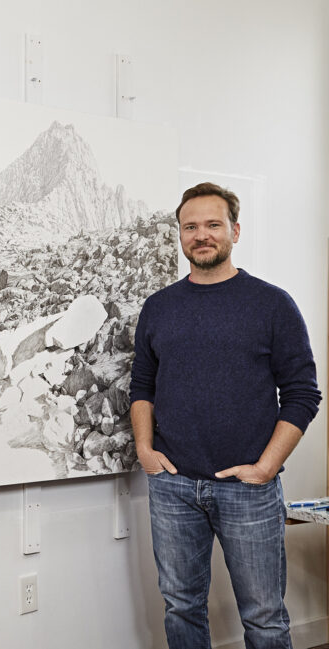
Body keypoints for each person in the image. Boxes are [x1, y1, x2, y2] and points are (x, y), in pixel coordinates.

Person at [129, 182, 321, 649]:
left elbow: (302, 394)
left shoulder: (272, 304)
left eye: (213, 224)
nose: (201, 235)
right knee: (181, 606)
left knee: (264, 616)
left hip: (249, 489)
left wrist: (266, 468)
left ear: (235, 231)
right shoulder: (159, 307)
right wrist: (145, 450)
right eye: (190, 226)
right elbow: (142, 387)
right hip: (173, 488)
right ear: (180, 234)